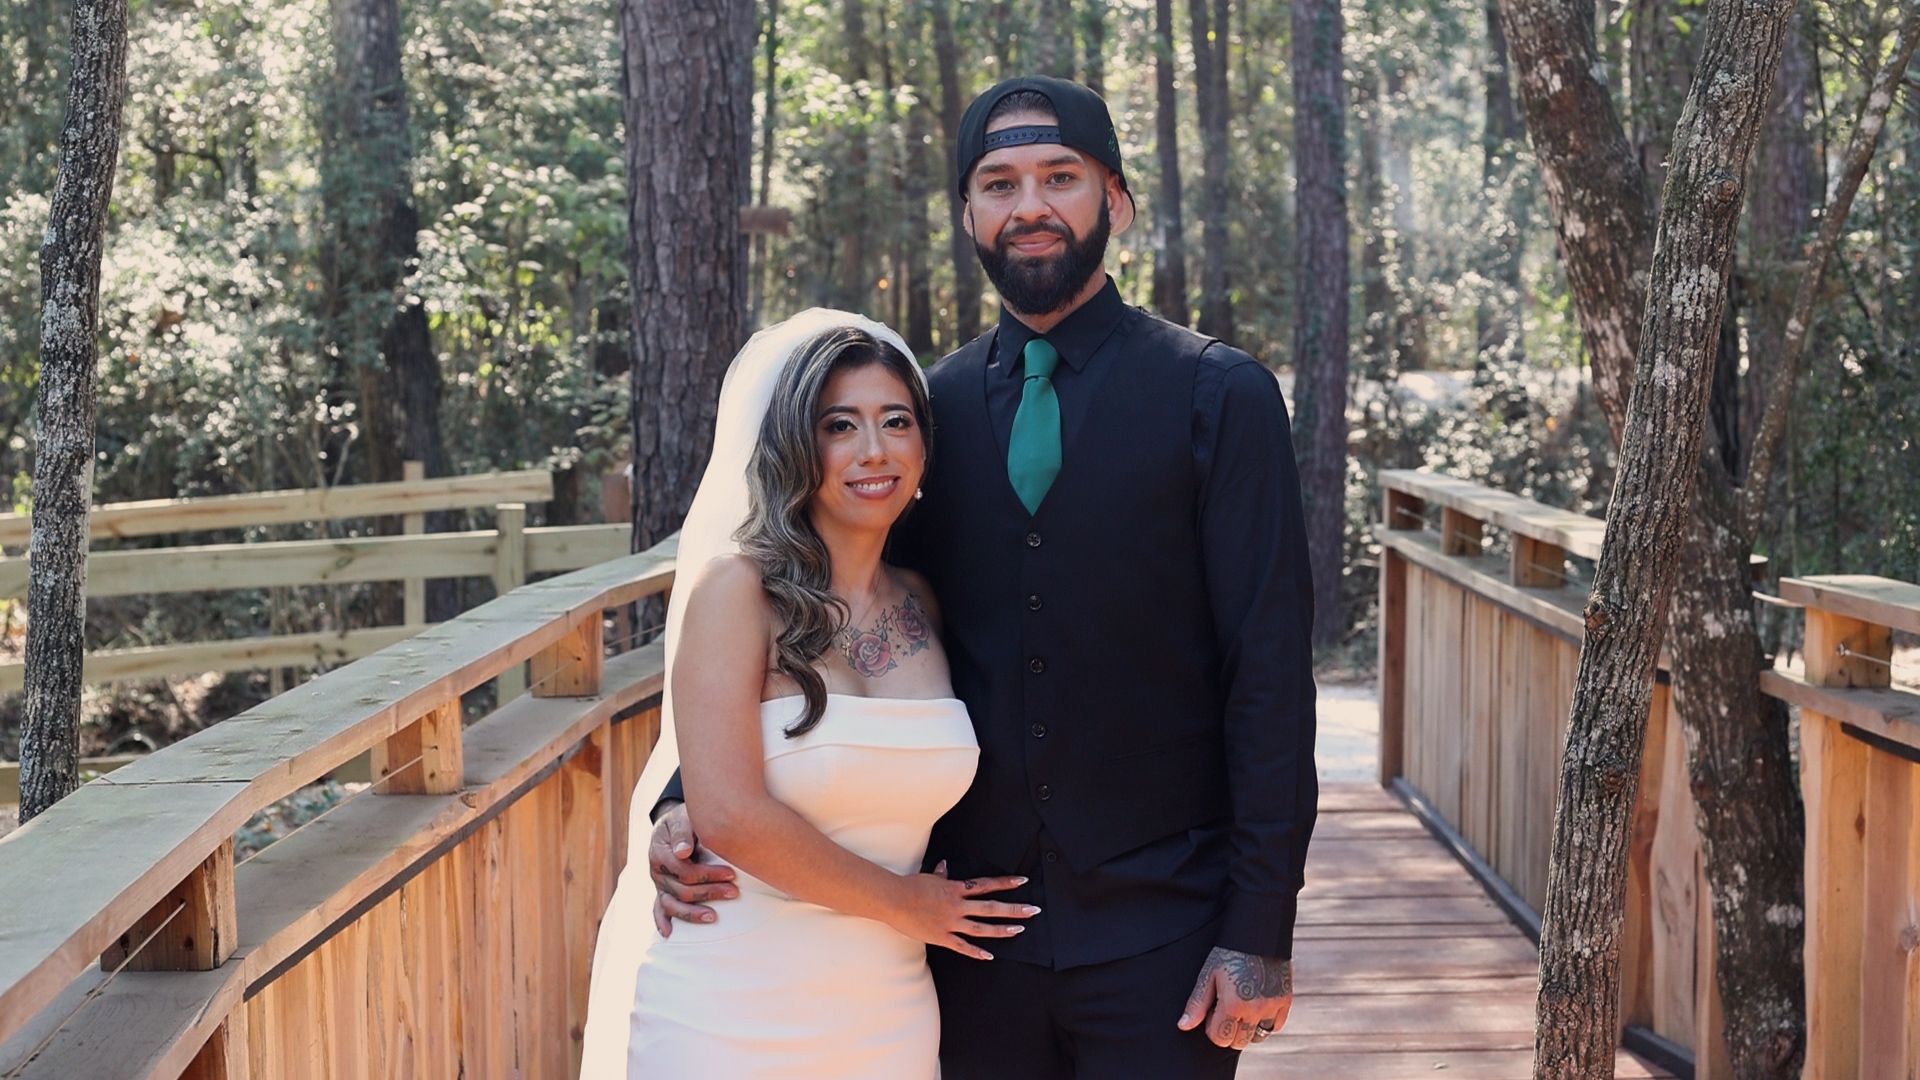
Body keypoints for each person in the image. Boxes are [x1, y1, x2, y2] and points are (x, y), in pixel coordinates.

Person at [647, 75, 1319, 1078]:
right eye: (999, 184)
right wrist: (685, 797)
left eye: (1060, 177)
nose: (1029, 205)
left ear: (1116, 200)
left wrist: (1260, 925)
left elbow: (1268, 672)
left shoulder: (1218, 397)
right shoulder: (929, 413)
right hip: (967, 935)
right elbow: (830, 592)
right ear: (968, 214)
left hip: (1165, 928)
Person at [578, 310, 1037, 1077]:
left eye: (896, 421)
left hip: (886, 1007)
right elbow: (728, 812)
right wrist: (907, 905)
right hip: (726, 1002)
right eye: (840, 425)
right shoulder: (738, 591)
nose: (873, 449)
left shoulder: (926, 601)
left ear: (924, 446)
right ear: (797, 446)